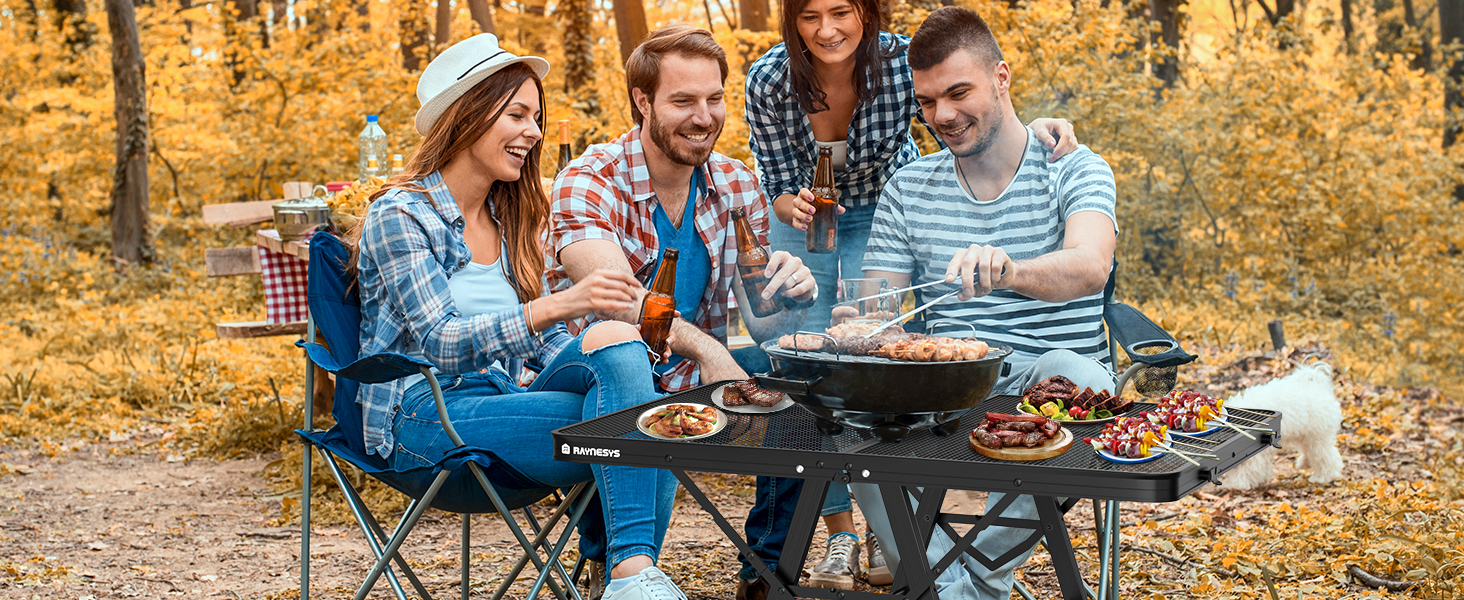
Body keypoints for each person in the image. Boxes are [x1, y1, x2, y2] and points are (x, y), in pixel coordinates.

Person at [741, 0, 1080, 588]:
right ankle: (835, 538)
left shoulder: (901, 64)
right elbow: (772, 175)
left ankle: (936, 570)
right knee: (817, 369)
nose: (827, 30)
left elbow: (967, 95)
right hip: (805, 213)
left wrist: (1033, 124)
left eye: (841, 10)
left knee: (877, 349)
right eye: (809, 15)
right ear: (791, 21)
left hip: (884, 200)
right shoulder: (772, 78)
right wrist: (790, 217)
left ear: (867, 13)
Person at [352, 34, 688, 600]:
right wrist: (558, 303)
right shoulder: (399, 214)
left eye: (536, 117)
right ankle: (631, 578)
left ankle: (628, 574)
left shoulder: (507, 217)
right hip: (425, 418)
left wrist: (604, 343)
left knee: (618, 345)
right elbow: (439, 342)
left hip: (503, 396)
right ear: (466, 116)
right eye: (517, 115)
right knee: (638, 418)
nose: (533, 132)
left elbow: (544, 344)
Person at [842, 7, 1119, 600]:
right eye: (927, 102)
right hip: (948, 388)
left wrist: (1010, 270)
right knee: (852, 425)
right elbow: (879, 309)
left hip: (1055, 381)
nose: (942, 115)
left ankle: (966, 587)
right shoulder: (908, 188)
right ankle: (953, 589)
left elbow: (1092, 264)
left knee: (1067, 377)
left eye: (959, 91)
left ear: (1002, 77)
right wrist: (857, 324)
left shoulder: (1073, 166)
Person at [548, 25, 819, 600]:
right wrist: (709, 349)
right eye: (683, 102)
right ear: (642, 102)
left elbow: (765, 321)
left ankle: (767, 574)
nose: (704, 117)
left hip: (690, 377)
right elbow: (614, 299)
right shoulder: (588, 180)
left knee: (803, 374)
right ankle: (616, 569)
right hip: (593, 375)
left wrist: (794, 294)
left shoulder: (737, 183)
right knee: (629, 358)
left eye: (714, 99)